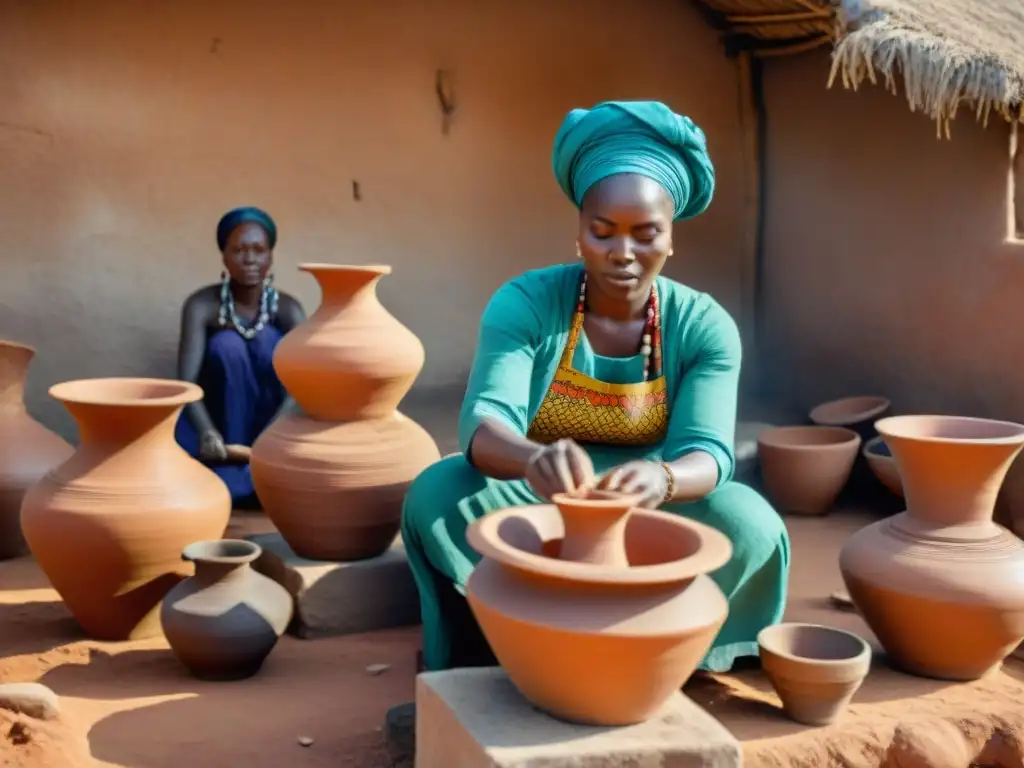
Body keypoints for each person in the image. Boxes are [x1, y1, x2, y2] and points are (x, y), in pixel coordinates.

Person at [401, 101, 790, 672]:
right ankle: (508, 638)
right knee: (437, 495)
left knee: (750, 522)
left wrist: (664, 476)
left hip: (654, 502)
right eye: (602, 232)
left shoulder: (703, 326)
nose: (623, 253)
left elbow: (709, 452)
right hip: (542, 493)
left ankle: (658, 650)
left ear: (671, 239)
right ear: (579, 233)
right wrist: (533, 457)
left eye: (645, 233)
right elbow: (483, 424)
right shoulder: (528, 303)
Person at [175, 206, 306, 508]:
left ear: (271, 256)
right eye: (239, 250)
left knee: (267, 343)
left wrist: (273, 437)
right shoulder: (201, 306)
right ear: (223, 256)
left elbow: (303, 384)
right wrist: (207, 432)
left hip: (274, 428)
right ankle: (231, 476)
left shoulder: (288, 310)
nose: (249, 259)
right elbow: (186, 382)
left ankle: (258, 472)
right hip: (217, 430)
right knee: (227, 346)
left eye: (259, 250)